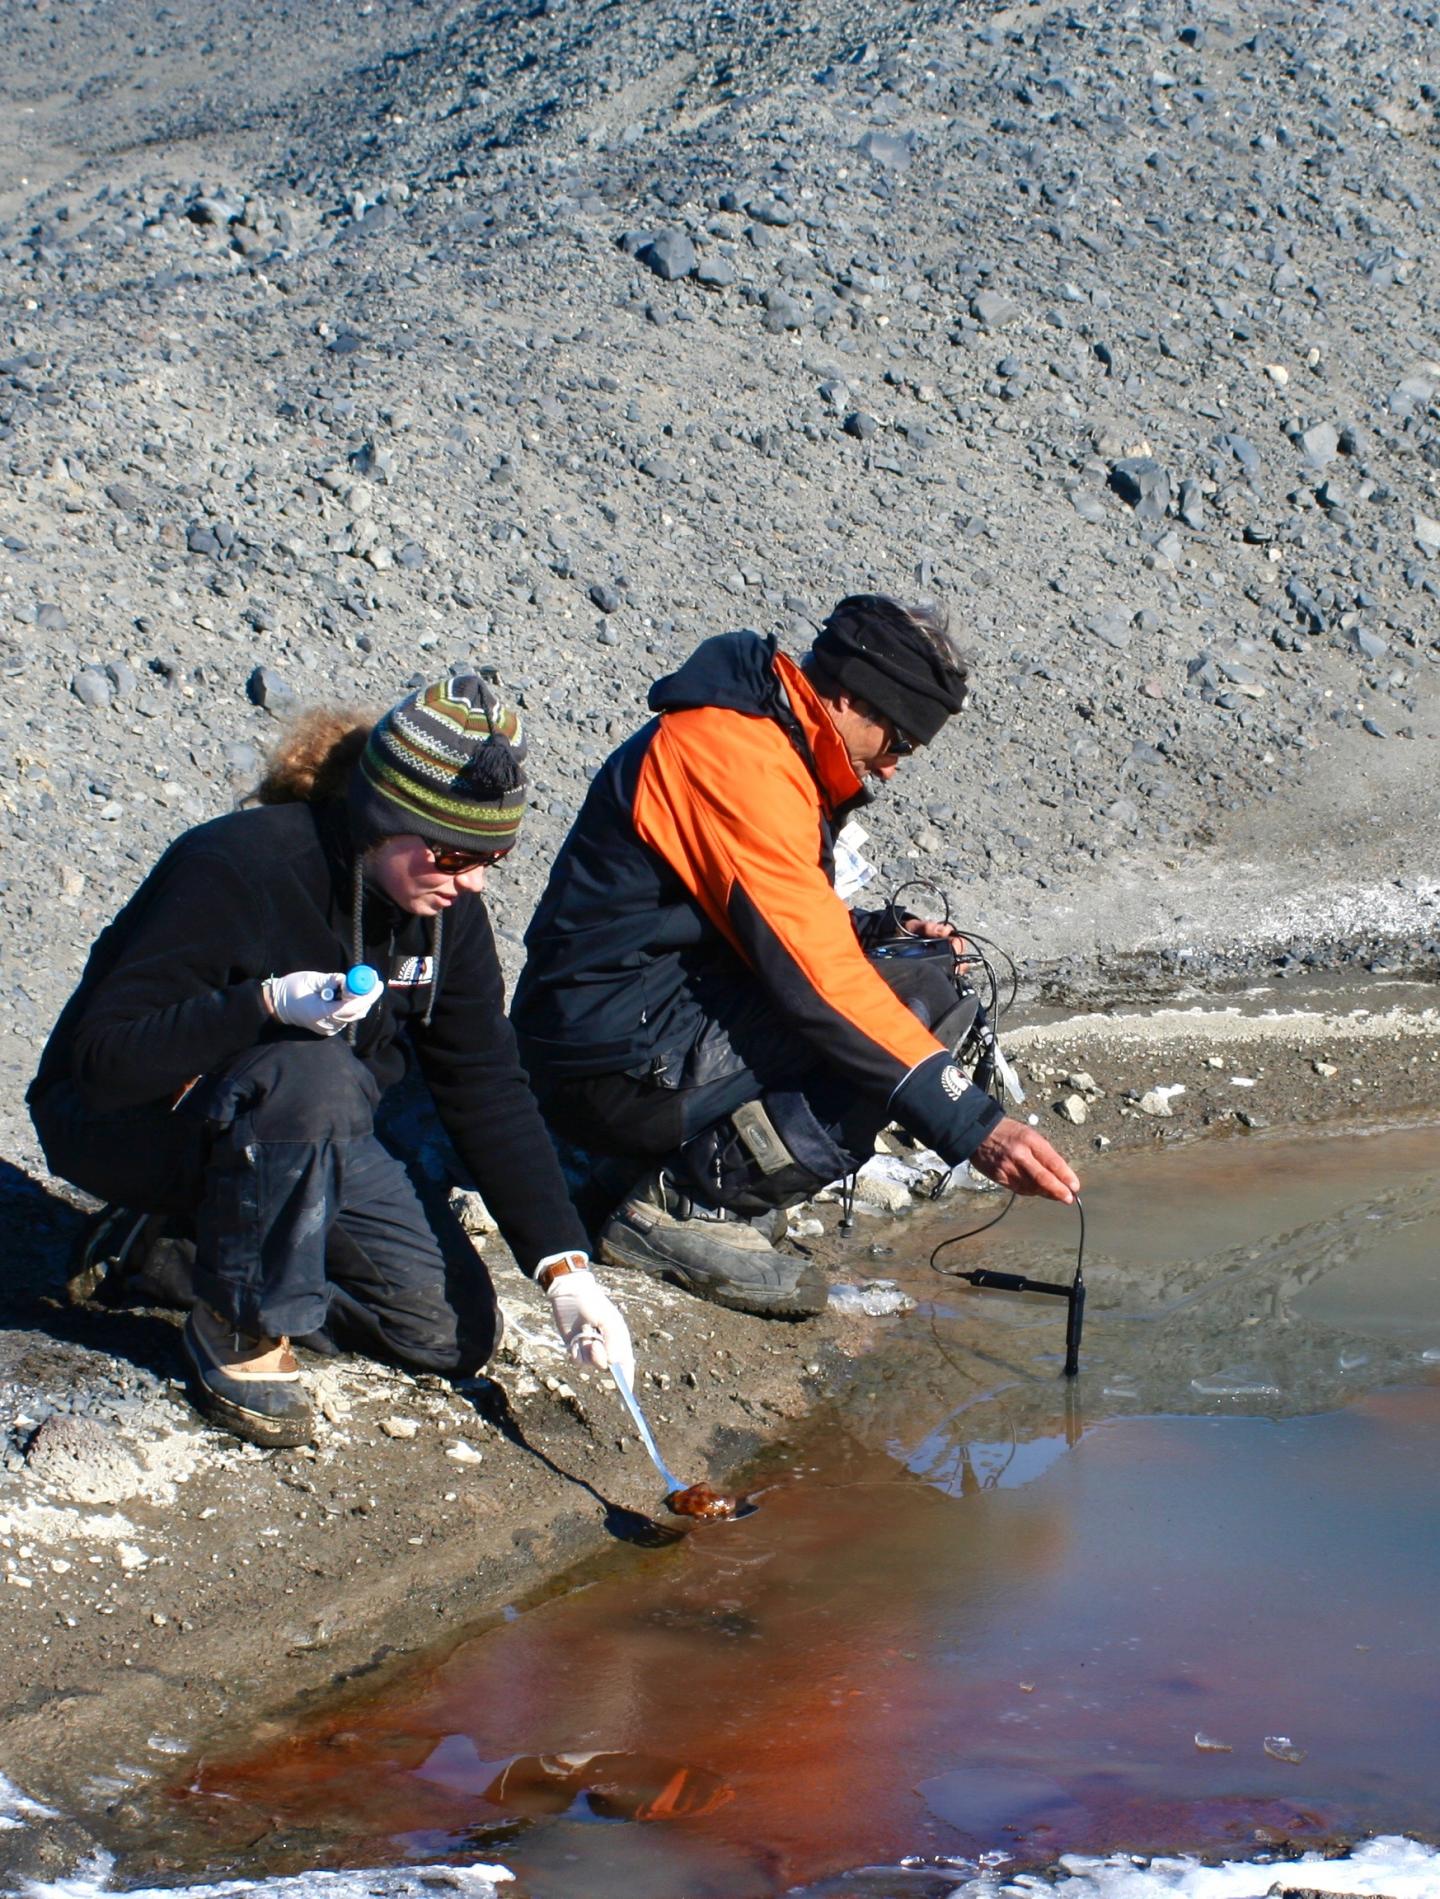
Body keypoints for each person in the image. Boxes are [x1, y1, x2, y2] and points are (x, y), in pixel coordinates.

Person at [28, 675, 634, 1448]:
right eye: (454, 853)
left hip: (307, 1133)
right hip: (133, 1120)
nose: (472, 880)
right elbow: (100, 1064)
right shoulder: (237, 865)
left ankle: (175, 1253)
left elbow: (485, 1082)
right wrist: (265, 1005)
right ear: (385, 819)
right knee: (316, 1071)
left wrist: (564, 1268)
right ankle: (241, 1328)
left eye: (494, 855)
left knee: (450, 1335)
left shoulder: (449, 917)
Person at [511, 594, 1079, 1318]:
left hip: (622, 1028)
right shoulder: (735, 757)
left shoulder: (759, 738)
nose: (894, 770)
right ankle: (685, 1206)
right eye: (899, 741)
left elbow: (757, 914)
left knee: (915, 968)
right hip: (605, 1066)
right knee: (906, 1004)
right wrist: (972, 1125)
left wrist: (879, 930)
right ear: (849, 697)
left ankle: (691, 1172)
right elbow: (820, 981)